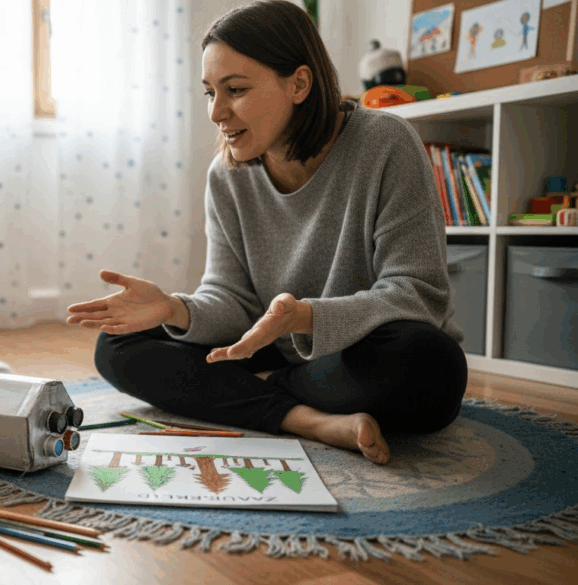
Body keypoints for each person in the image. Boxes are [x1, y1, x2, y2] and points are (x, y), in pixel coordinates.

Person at [65, 0, 467, 465]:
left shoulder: (385, 143)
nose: (217, 113)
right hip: (283, 360)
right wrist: (174, 308)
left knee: (427, 363)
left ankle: (253, 396)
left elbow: (417, 292)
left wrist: (305, 318)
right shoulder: (227, 174)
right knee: (118, 345)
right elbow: (232, 301)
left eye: (234, 89)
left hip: (355, 359)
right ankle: (308, 420)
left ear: (298, 83)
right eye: (209, 93)